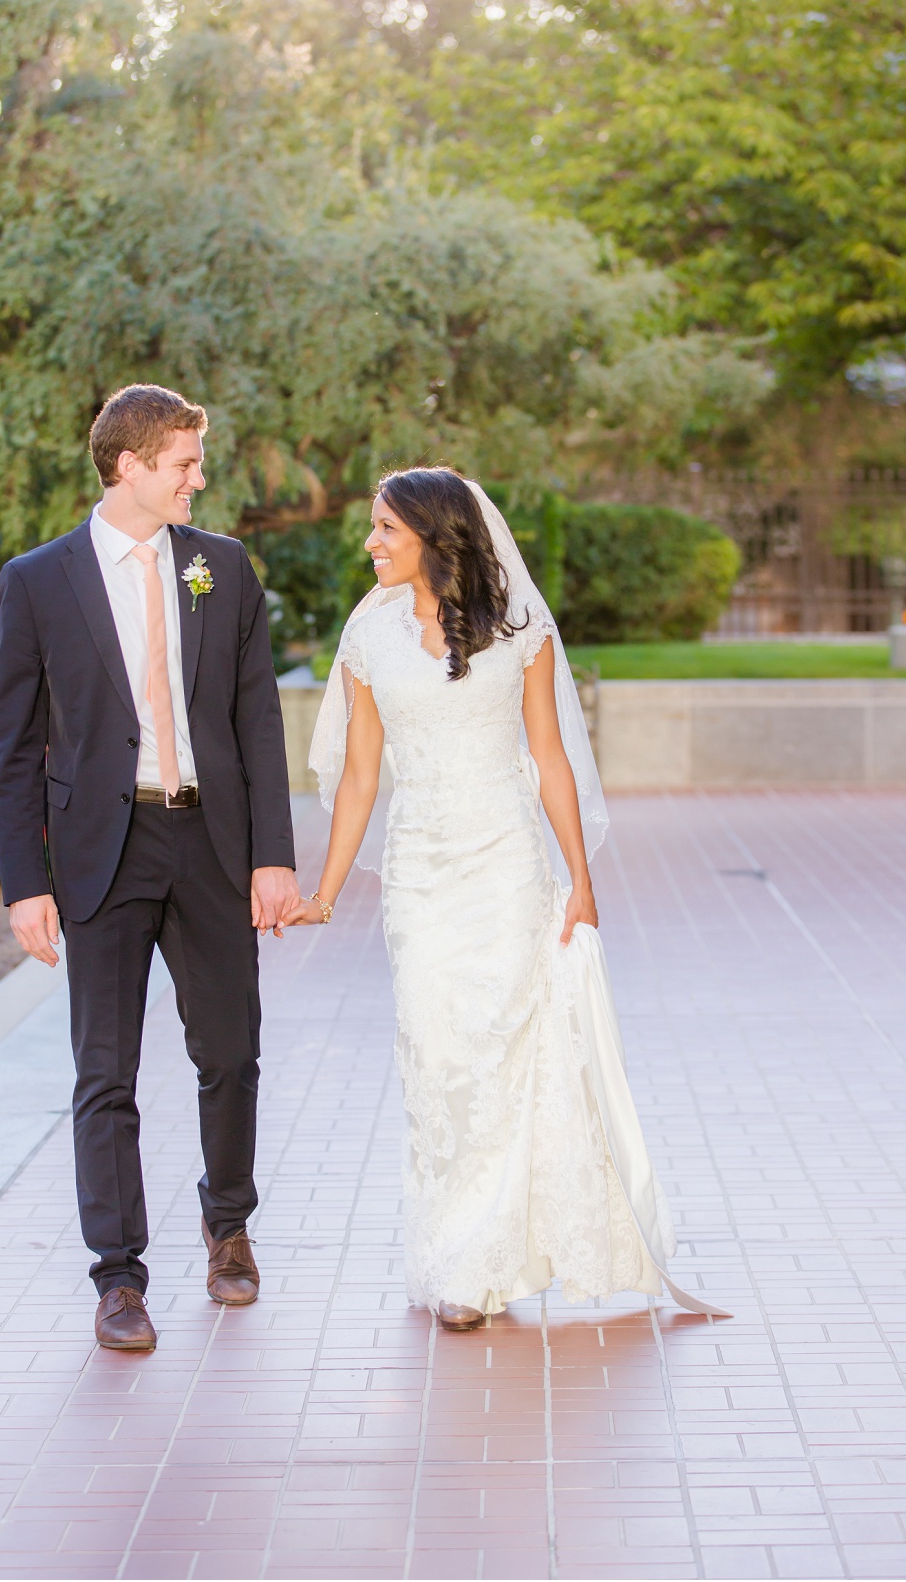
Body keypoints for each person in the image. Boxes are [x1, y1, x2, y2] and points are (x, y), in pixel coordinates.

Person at [285, 468, 725, 1330]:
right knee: (441, 1057)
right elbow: (361, 778)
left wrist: (582, 885)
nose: (370, 543)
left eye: (385, 530)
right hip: (420, 877)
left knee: (506, 1056)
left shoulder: (522, 629)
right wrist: (326, 894)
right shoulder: (367, 639)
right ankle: (457, 1247)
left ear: (435, 537)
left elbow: (551, 760)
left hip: (508, 871)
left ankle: (481, 1269)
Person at [0, 385, 298, 1352]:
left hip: (209, 843)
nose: (198, 479)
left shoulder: (222, 568)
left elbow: (257, 720)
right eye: (183, 463)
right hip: (101, 855)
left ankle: (230, 1227)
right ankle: (118, 1278)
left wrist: (274, 857)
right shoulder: (39, 580)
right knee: (104, 1073)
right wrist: (24, 881)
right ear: (128, 465)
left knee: (230, 1053)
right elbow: (13, 742)